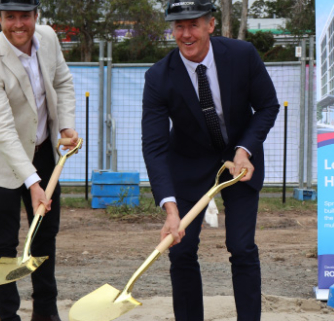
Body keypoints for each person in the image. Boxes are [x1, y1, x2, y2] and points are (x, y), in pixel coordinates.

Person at [140, 0, 280, 320]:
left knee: (241, 247)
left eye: (193, 25)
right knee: (182, 251)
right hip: (188, 163)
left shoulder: (242, 55)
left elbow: (268, 106)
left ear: (210, 25)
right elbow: (155, 147)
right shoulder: (159, 77)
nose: (186, 34)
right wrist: (170, 210)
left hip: (238, 163)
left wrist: (244, 150)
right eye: (179, 26)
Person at [0, 0, 77, 319]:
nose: (18, 24)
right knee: (5, 243)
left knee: (44, 234)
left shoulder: (48, 38)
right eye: (10, 17)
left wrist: (66, 126)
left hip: (44, 151)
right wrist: (33, 182)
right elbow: (3, 130)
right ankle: (8, 315)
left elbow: (62, 83)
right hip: (2, 163)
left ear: (36, 16)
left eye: (24, 16)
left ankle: (46, 311)